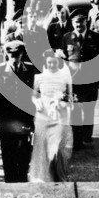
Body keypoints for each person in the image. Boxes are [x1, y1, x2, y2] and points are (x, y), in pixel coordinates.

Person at [0, 40, 37, 182]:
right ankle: (10, 179)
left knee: (25, 149)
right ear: (6, 54)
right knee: (8, 149)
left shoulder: (30, 70)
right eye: (11, 55)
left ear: (22, 54)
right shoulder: (0, 69)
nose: (14, 58)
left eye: (17, 55)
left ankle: (22, 177)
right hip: (6, 117)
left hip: (24, 116)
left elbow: (35, 92)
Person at [61, 8, 99, 150]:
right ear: (72, 23)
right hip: (73, 81)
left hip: (90, 81)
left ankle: (87, 136)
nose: (78, 26)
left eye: (81, 23)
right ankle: (77, 140)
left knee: (88, 109)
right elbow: (63, 59)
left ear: (86, 22)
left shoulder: (96, 37)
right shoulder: (67, 37)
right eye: (76, 23)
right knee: (74, 109)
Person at [28, 50, 73, 182]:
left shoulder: (65, 78)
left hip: (60, 115)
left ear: (58, 62)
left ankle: (57, 175)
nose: (52, 65)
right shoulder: (39, 77)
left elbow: (70, 98)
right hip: (42, 115)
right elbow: (33, 95)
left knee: (57, 146)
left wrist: (61, 102)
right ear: (46, 63)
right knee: (41, 145)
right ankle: (42, 175)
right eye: (49, 62)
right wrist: (36, 102)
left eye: (54, 62)